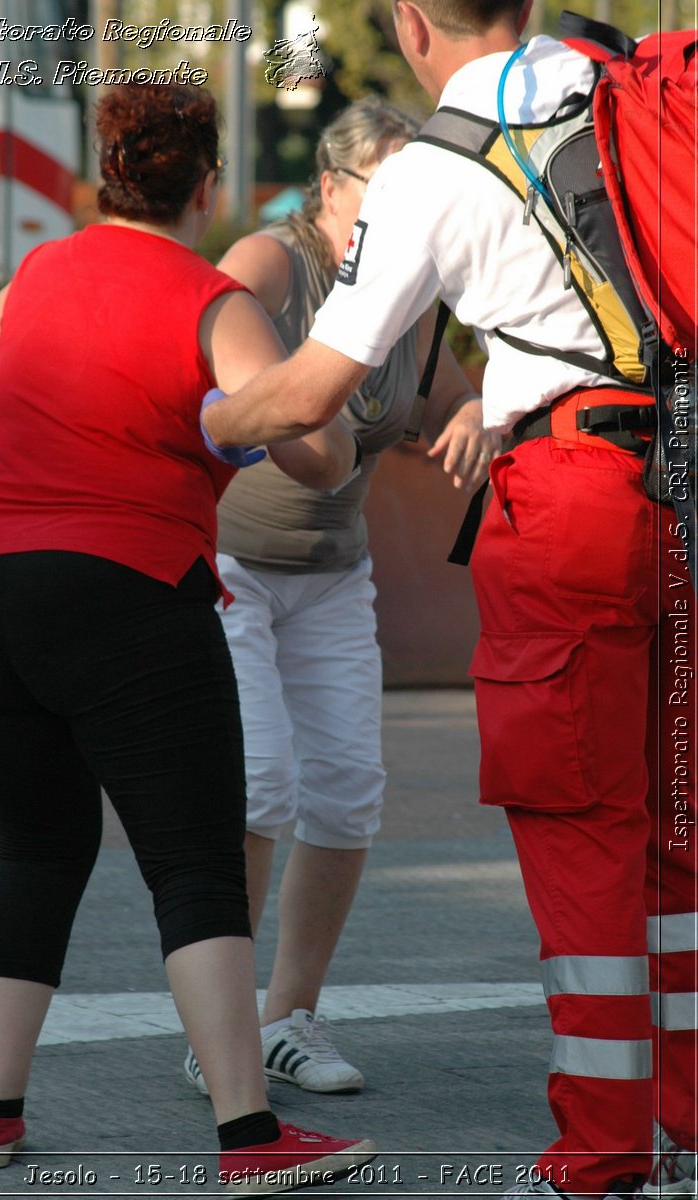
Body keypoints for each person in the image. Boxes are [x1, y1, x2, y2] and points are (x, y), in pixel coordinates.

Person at [200, 6, 697, 1198]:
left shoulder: (433, 164)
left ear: (414, 23)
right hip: (687, 482)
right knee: (681, 824)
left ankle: (602, 1154)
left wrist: (206, 420)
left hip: (573, 499)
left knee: (581, 825)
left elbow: (320, 381)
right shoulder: (628, 88)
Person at [0, 82, 377, 1193]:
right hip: (121, 588)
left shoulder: (38, 273)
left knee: (36, 847)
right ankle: (249, 1139)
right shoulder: (215, 298)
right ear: (209, 185)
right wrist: (281, 438)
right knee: (192, 862)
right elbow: (302, 441)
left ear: (106, 176)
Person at [183, 96, 499, 1099]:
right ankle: (219, 1033)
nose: (413, 209)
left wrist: (487, 408)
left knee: (349, 791)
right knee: (262, 784)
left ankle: (289, 1017)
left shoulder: (411, 293)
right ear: (331, 189)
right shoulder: (275, 262)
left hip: (332, 574)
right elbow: (187, 343)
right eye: (388, 186)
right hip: (228, 562)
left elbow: (461, 396)